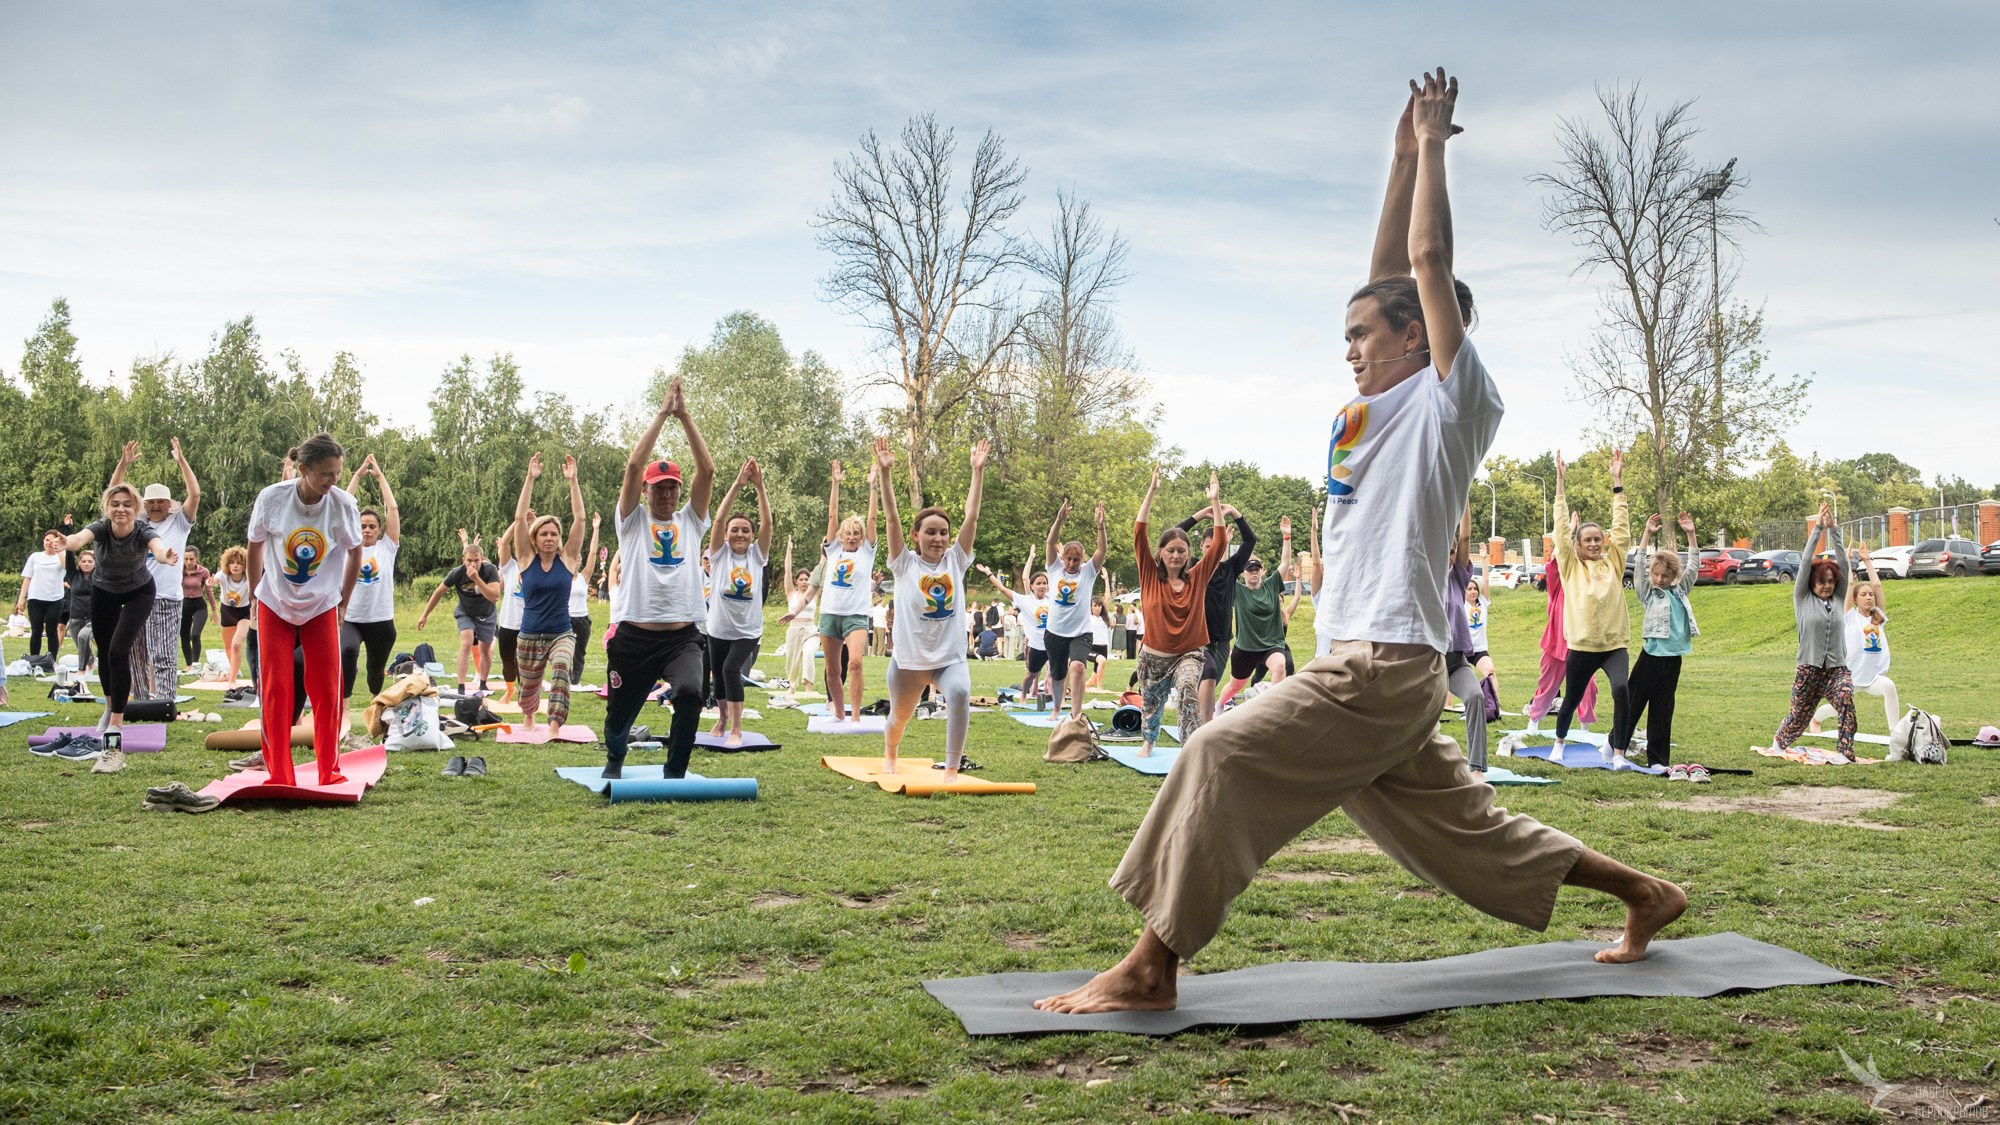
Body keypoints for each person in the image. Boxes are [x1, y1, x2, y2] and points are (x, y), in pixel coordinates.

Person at [1035, 74, 1684, 1015]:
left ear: (1420, 337)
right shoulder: (1372, 408)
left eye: (1362, 334)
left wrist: (1436, 149)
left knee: (1213, 754)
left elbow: (1422, 258)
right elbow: (1390, 270)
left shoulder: (1452, 406)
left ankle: (1151, 967)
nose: (1347, 347)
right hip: (1370, 661)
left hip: (1382, 665)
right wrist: (1396, 158)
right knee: (1470, 832)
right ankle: (1646, 891)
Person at [602, 376, 715, 780]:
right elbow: (633, 466)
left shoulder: (692, 521)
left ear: (679, 491)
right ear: (647, 492)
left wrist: (684, 418)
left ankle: (675, 773)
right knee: (620, 717)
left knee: (690, 693)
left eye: (672, 488)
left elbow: (708, 469)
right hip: (634, 635)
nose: (666, 495)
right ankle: (615, 757)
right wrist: (662, 414)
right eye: (658, 488)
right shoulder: (631, 522)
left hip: (682, 636)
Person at [245, 432, 362, 786]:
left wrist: (343, 598)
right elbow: (255, 546)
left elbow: (355, 552)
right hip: (275, 602)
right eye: (326, 473)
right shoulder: (272, 498)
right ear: (303, 469)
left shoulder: (343, 504)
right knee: (277, 688)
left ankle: (329, 771)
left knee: (327, 688)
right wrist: (254, 594)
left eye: (338, 473)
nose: (333, 480)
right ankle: (280, 774)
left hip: (322, 603)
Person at [876, 437, 988, 778]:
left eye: (943, 532)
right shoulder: (904, 564)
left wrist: (977, 472)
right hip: (909, 662)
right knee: (899, 719)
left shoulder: (956, 560)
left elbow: (972, 515)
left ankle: (952, 769)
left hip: (948, 658)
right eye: (930, 532)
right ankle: (891, 753)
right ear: (916, 536)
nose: (938, 538)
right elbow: (892, 519)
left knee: (960, 691)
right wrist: (884, 474)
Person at [62, 485, 178, 771]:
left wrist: (164, 556)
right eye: (115, 504)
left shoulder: (142, 531)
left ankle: (116, 722)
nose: (121, 509)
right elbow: (80, 538)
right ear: (108, 507)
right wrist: (70, 542)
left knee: (118, 650)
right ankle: (109, 705)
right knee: (105, 652)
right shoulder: (101, 527)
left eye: (127, 504)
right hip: (104, 592)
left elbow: (157, 548)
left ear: (135, 508)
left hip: (139, 591)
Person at [1132, 466, 1228, 758]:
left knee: (1188, 689)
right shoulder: (1149, 574)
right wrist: (1152, 490)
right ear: (1160, 552)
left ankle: (1192, 750)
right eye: (1171, 550)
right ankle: (1149, 741)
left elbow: (1221, 542)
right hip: (1153, 658)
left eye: (1182, 551)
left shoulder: (1198, 577)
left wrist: (1215, 501)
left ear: (1189, 554)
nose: (1176, 555)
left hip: (1188, 654)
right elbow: (1139, 531)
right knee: (1151, 706)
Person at [1549, 448, 1634, 765]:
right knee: (1571, 698)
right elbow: (1560, 531)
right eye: (1589, 540)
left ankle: (1619, 753)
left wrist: (1617, 482)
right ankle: (1559, 744)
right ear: (1579, 545)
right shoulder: (1570, 565)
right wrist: (1560, 484)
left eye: (1599, 539)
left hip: (1614, 645)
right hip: (1582, 646)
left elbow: (1622, 529)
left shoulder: (1614, 561)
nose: (1595, 544)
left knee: (1622, 691)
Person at [108, 437, 201, 701]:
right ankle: (139, 703)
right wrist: (123, 464)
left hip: (165, 598)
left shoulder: (179, 523)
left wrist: (181, 461)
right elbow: (114, 493)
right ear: (144, 505)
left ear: (168, 503)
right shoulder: (136, 522)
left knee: (162, 654)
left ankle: (165, 702)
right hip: (134, 597)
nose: (156, 506)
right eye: (151, 502)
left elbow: (194, 494)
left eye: (161, 501)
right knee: (135, 654)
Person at [1768, 503, 1857, 760]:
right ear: (1812, 583)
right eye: (1822, 582)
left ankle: (1845, 751)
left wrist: (1835, 530)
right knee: (1798, 717)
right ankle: (1779, 741)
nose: (1827, 586)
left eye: (1831, 582)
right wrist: (1818, 528)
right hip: (1808, 669)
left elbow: (1844, 564)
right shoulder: (1803, 598)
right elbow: (1806, 561)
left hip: (1836, 669)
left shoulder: (1839, 599)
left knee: (1846, 699)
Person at [509, 453, 589, 732]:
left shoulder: (567, 560)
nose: (549, 538)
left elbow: (580, 518)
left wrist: (573, 481)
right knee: (528, 684)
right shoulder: (525, 559)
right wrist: (530, 478)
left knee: (561, 670)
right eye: (543, 534)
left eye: (554, 534)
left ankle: (555, 723)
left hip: (561, 633)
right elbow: (520, 518)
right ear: (535, 538)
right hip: (530, 633)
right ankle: (529, 716)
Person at [795, 460, 877, 723]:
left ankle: (855, 716)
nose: (851, 537)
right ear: (841, 537)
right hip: (830, 614)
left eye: (856, 533)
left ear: (862, 536)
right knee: (832, 669)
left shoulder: (866, 552)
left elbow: (874, 517)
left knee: (855, 663)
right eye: (847, 533)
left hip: (855, 615)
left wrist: (873, 486)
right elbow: (831, 515)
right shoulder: (833, 551)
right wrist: (835, 483)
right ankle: (839, 713)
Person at [1620, 512, 1698, 768]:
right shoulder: (1648, 594)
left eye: (1665, 576)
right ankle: (1615, 746)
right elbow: (1640, 565)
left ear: (1673, 575)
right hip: (1650, 656)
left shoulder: (1680, 590)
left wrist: (1690, 534)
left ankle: (1658, 759)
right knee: (1633, 703)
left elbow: (1693, 566)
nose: (1660, 579)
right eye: (1657, 575)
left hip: (1672, 659)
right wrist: (1646, 534)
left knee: (1663, 711)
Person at [706, 459, 773, 746]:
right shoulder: (719, 554)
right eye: (735, 530)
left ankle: (736, 728)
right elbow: (718, 519)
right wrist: (737, 483)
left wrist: (759, 487)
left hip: (747, 629)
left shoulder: (757, 556)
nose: (740, 534)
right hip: (718, 627)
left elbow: (768, 522)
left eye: (746, 530)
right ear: (726, 535)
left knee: (732, 669)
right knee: (719, 675)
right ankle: (721, 718)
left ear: (752, 535)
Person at [1175, 502, 1257, 722]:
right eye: (1208, 546)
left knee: (1210, 683)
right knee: (1207, 674)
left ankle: (1197, 719)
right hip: (1196, 638)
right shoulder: (1192, 568)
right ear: (1201, 547)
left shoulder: (1231, 567)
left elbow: (1250, 540)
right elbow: (1174, 536)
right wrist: (1200, 515)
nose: (1212, 550)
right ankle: (1203, 727)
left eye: (1217, 546)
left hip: (1221, 640)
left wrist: (1236, 514)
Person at [1524, 511, 1597, 735]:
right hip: (1556, 643)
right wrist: (1570, 531)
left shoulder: (1585, 580)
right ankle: (1533, 722)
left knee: (1588, 687)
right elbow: (1556, 557)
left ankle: (1584, 728)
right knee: (1547, 685)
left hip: (1581, 643)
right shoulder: (1557, 584)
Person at [1812, 550, 1896, 736]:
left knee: (1889, 687)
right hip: (1852, 675)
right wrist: (1847, 562)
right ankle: (1816, 719)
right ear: (1856, 600)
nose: (1869, 597)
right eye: (1864, 595)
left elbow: (1877, 585)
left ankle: (1895, 732)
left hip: (1874, 675)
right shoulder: (1850, 616)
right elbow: (1849, 583)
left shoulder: (1878, 617)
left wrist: (1867, 560)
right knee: (1837, 709)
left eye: (1870, 595)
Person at [1214, 544, 1305, 711]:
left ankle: (1273, 710)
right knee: (1235, 686)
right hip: (1246, 647)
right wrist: (1224, 543)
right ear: (1243, 573)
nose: (1254, 572)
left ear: (1262, 571)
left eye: (1257, 569)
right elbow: (1224, 569)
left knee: (1279, 666)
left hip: (1271, 645)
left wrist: (1286, 537)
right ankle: (1219, 706)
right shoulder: (1238, 590)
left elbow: (1284, 563)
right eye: (1249, 569)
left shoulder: (1271, 586)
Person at [342, 454, 403, 699]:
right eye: (362, 526)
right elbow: (343, 506)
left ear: (379, 530)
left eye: (371, 526)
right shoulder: (346, 547)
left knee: (375, 672)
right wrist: (356, 476)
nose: (366, 530)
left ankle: (374, 701)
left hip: (381, 620)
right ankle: (344, 706)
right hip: (351, 618)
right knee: (346, 652)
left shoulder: (387, 547)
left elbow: (393, 508)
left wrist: (380, 478)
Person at [1042, 501, 1109, 720]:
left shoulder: (1088, 572)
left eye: (1076, 559)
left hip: (1080, 632)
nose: (1072, 563)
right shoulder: (1054, 569)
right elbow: (1051, 542)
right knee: (1058, 673)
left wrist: (1100, 526)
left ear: (1082, 559)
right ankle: (1056, 708)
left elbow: (1102, 550)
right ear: (1062, 558)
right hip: (1054, 632)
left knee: (1078, 667)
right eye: (1068, 559)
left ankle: (1076, 714)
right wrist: (1059, 520)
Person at [416, 532, 502, 693]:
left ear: (482, 560)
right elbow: (439, 592)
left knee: (485, 650)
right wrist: (424, 615)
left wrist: (477, 579)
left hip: (487, 613)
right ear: (463, 560)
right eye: (469, 561)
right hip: (465, 612)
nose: (473, 564)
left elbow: (495, 596)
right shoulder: (457, 573)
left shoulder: (490, 570)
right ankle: (461, 686)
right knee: (466, 641)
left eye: (476, 561)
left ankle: (483, 682)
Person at [1444, 506, 1492, 777]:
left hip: (1455, 661)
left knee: (1475, 697)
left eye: (1452, 552)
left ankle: (1476, 768)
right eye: (1446, 551)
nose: (1450, 557)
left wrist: (1462, 502)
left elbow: (1464, 538)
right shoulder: (1423, 579)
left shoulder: (1457, 579)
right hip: (1427, 662)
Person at [978, 561, 1051, 703]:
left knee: (1058, 672)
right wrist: (989, 573)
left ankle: (1057, 700)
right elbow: (1003, 589)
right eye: (1039, 583)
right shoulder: (1025, 600)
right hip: (1036, 645)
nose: (1042, 586)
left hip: (1052, 644)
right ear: (1031, 587)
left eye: (1044, 583)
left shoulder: (1053, 599)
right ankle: (1024, 695)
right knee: (1032, 674)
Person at [17, 529, 68, 659]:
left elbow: (65, 566)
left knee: (51, 631)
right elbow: (27, 578)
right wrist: (21, 599)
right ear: (43, 542)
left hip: (55, 599)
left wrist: (60, 548)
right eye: (47, 540)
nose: (50, 543)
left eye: (53, 541)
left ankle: (51, 660)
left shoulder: (62, 555)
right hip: (35, 598)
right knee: (36, 631)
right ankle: (34, 659)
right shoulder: (35, 556)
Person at [779, 544, 819, 703]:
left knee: (809, 653)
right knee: (792, 659)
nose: (804, 581)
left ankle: (808, 686)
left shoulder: (814, 593)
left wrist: (824, 550)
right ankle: (792, 684)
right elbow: (787, 571)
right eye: (801, 579)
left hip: (810, 630)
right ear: (796, 582)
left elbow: (821, 569)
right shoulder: (791, 593)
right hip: (794, 629)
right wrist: (788, 550)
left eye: (807, 579)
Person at [493, 517, 525, 703]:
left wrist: (534, 523)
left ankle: (524, 694)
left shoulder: (537, 564)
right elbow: (504, 541)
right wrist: (518, 520)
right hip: (508, 623)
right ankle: (510, 690)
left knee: (525, 664)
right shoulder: (510, 566)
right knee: (508, 662)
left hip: (529, 625)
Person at [569, 515, 602, 682]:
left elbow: (593, 553)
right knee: (564, 651)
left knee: (579, 651)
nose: (575, 561)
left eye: (578, 559)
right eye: (573, 559)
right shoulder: (562, 577)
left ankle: (575, 680)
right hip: (564, 619)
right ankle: (563, 676)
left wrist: (595, 529)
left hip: (581, 619)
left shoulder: (584, 576)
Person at [213, 546, 252, 683]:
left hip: (244, 613)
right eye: (232, 562)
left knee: (236, 644)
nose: (235, 566)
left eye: (239, 563)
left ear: (244, 565)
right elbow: (215, 580)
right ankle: (233, 672)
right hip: (227, 611)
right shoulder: (223, 575)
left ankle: (232, 681)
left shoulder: (248, 578)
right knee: (228, 646)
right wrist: (211, 582)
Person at [178, 548, 216, 671]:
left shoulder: (203, 572)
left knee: (195, 635)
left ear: (196, 559)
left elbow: (209, 591)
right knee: (184, 636)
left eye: (191, 559)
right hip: (184, 604)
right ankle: (189, 665)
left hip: (199, 605)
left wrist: (214, 610)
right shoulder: (179, 570)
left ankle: (195, 665)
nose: (188, 562)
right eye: (186, 559)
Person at [67, 549, 97, 673]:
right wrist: (68, 531)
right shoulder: (73, 576)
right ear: (79, 563)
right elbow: (69, 557)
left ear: (95, 563)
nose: (86, 563)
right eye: (83, 561)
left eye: (90, 561)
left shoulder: (99, 576)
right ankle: (90, 661)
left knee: (83, 636)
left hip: (93, 617)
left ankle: (81, 670)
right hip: (76, 616)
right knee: (80, 645)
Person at [1086, 597, 1113, 687]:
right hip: (1092, 648)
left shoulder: (1104, 618)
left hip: (1103, 648)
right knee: (1102, 661)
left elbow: (1108, 597)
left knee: (1093, 679)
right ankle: (1099, 687)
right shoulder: (1089, 617)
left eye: (1099, 605)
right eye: (1095, 606)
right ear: (1090, 608)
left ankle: (1083, 687)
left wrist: (1106, 581)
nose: (1097, 608)